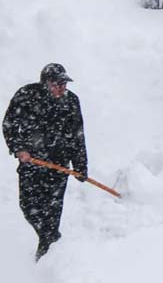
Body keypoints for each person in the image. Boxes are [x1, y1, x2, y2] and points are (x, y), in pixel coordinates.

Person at [3, 63, 88, 261]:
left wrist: (81, 165)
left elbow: (77, 136)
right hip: (32, 164)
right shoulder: (26, 95)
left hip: (58, 166)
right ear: (45, 83)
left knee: (52, 213)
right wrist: (19, 149)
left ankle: (48, 254)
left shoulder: (71, 102)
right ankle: (49, 241)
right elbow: (9, 124)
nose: (61, 88)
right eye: (57, 84)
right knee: (28, 207)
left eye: (64, 84)